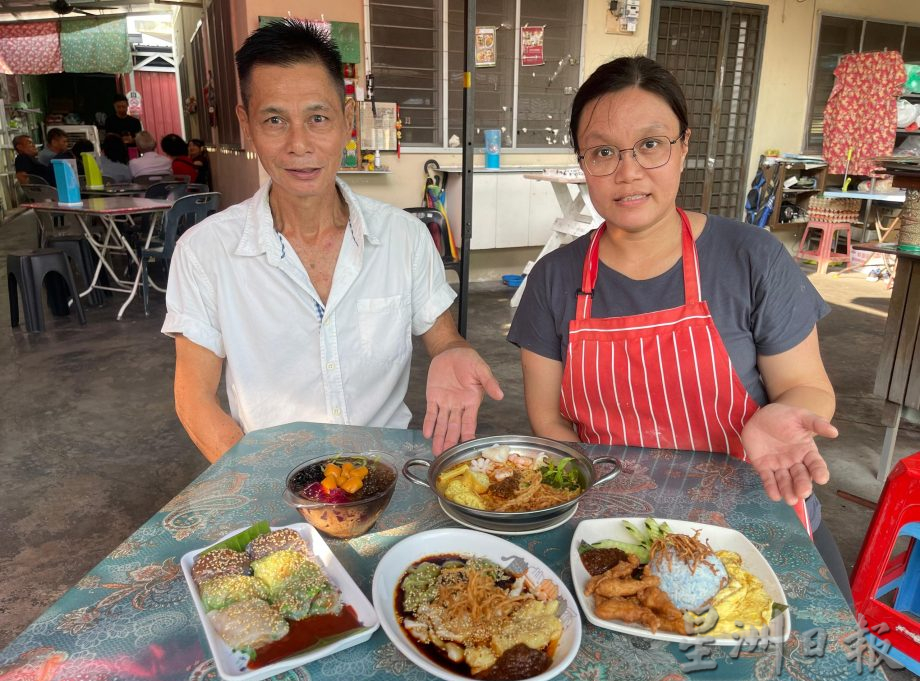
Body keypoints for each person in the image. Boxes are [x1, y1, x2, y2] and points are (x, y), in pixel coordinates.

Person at [507, 56, 852, 602]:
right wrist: (606, 514)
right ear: (583, 163)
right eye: (603, 152)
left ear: (683, 146)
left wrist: (781, 414)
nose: (629, 171)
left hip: (754, 521)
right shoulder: (554, 277)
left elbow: (806, 388)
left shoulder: (751, 258)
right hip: (612, 533)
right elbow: (549, 420)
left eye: (651, 144)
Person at [161, 19, 502, 463]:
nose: (299, 144)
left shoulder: (404, 238)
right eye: (275, 120)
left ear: (346, 121)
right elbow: (194, 399)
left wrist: (455, 352)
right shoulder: (205, 252)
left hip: (389, 475)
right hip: (276, 481)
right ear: (247, 124)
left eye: (318, 118)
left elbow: (444, 337)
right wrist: (265, 486)